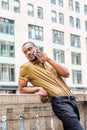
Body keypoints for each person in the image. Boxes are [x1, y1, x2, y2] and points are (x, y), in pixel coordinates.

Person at [18, 41, 84, 130]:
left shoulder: (48, 62)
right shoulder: (25, 67)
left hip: (72, 100)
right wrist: (39, 89)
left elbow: (66, 74)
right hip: (60, 103)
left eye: (30, 49)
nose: (28, 53)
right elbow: (21, 89)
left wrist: (48, 59)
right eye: (25, 52)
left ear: (36, 48)